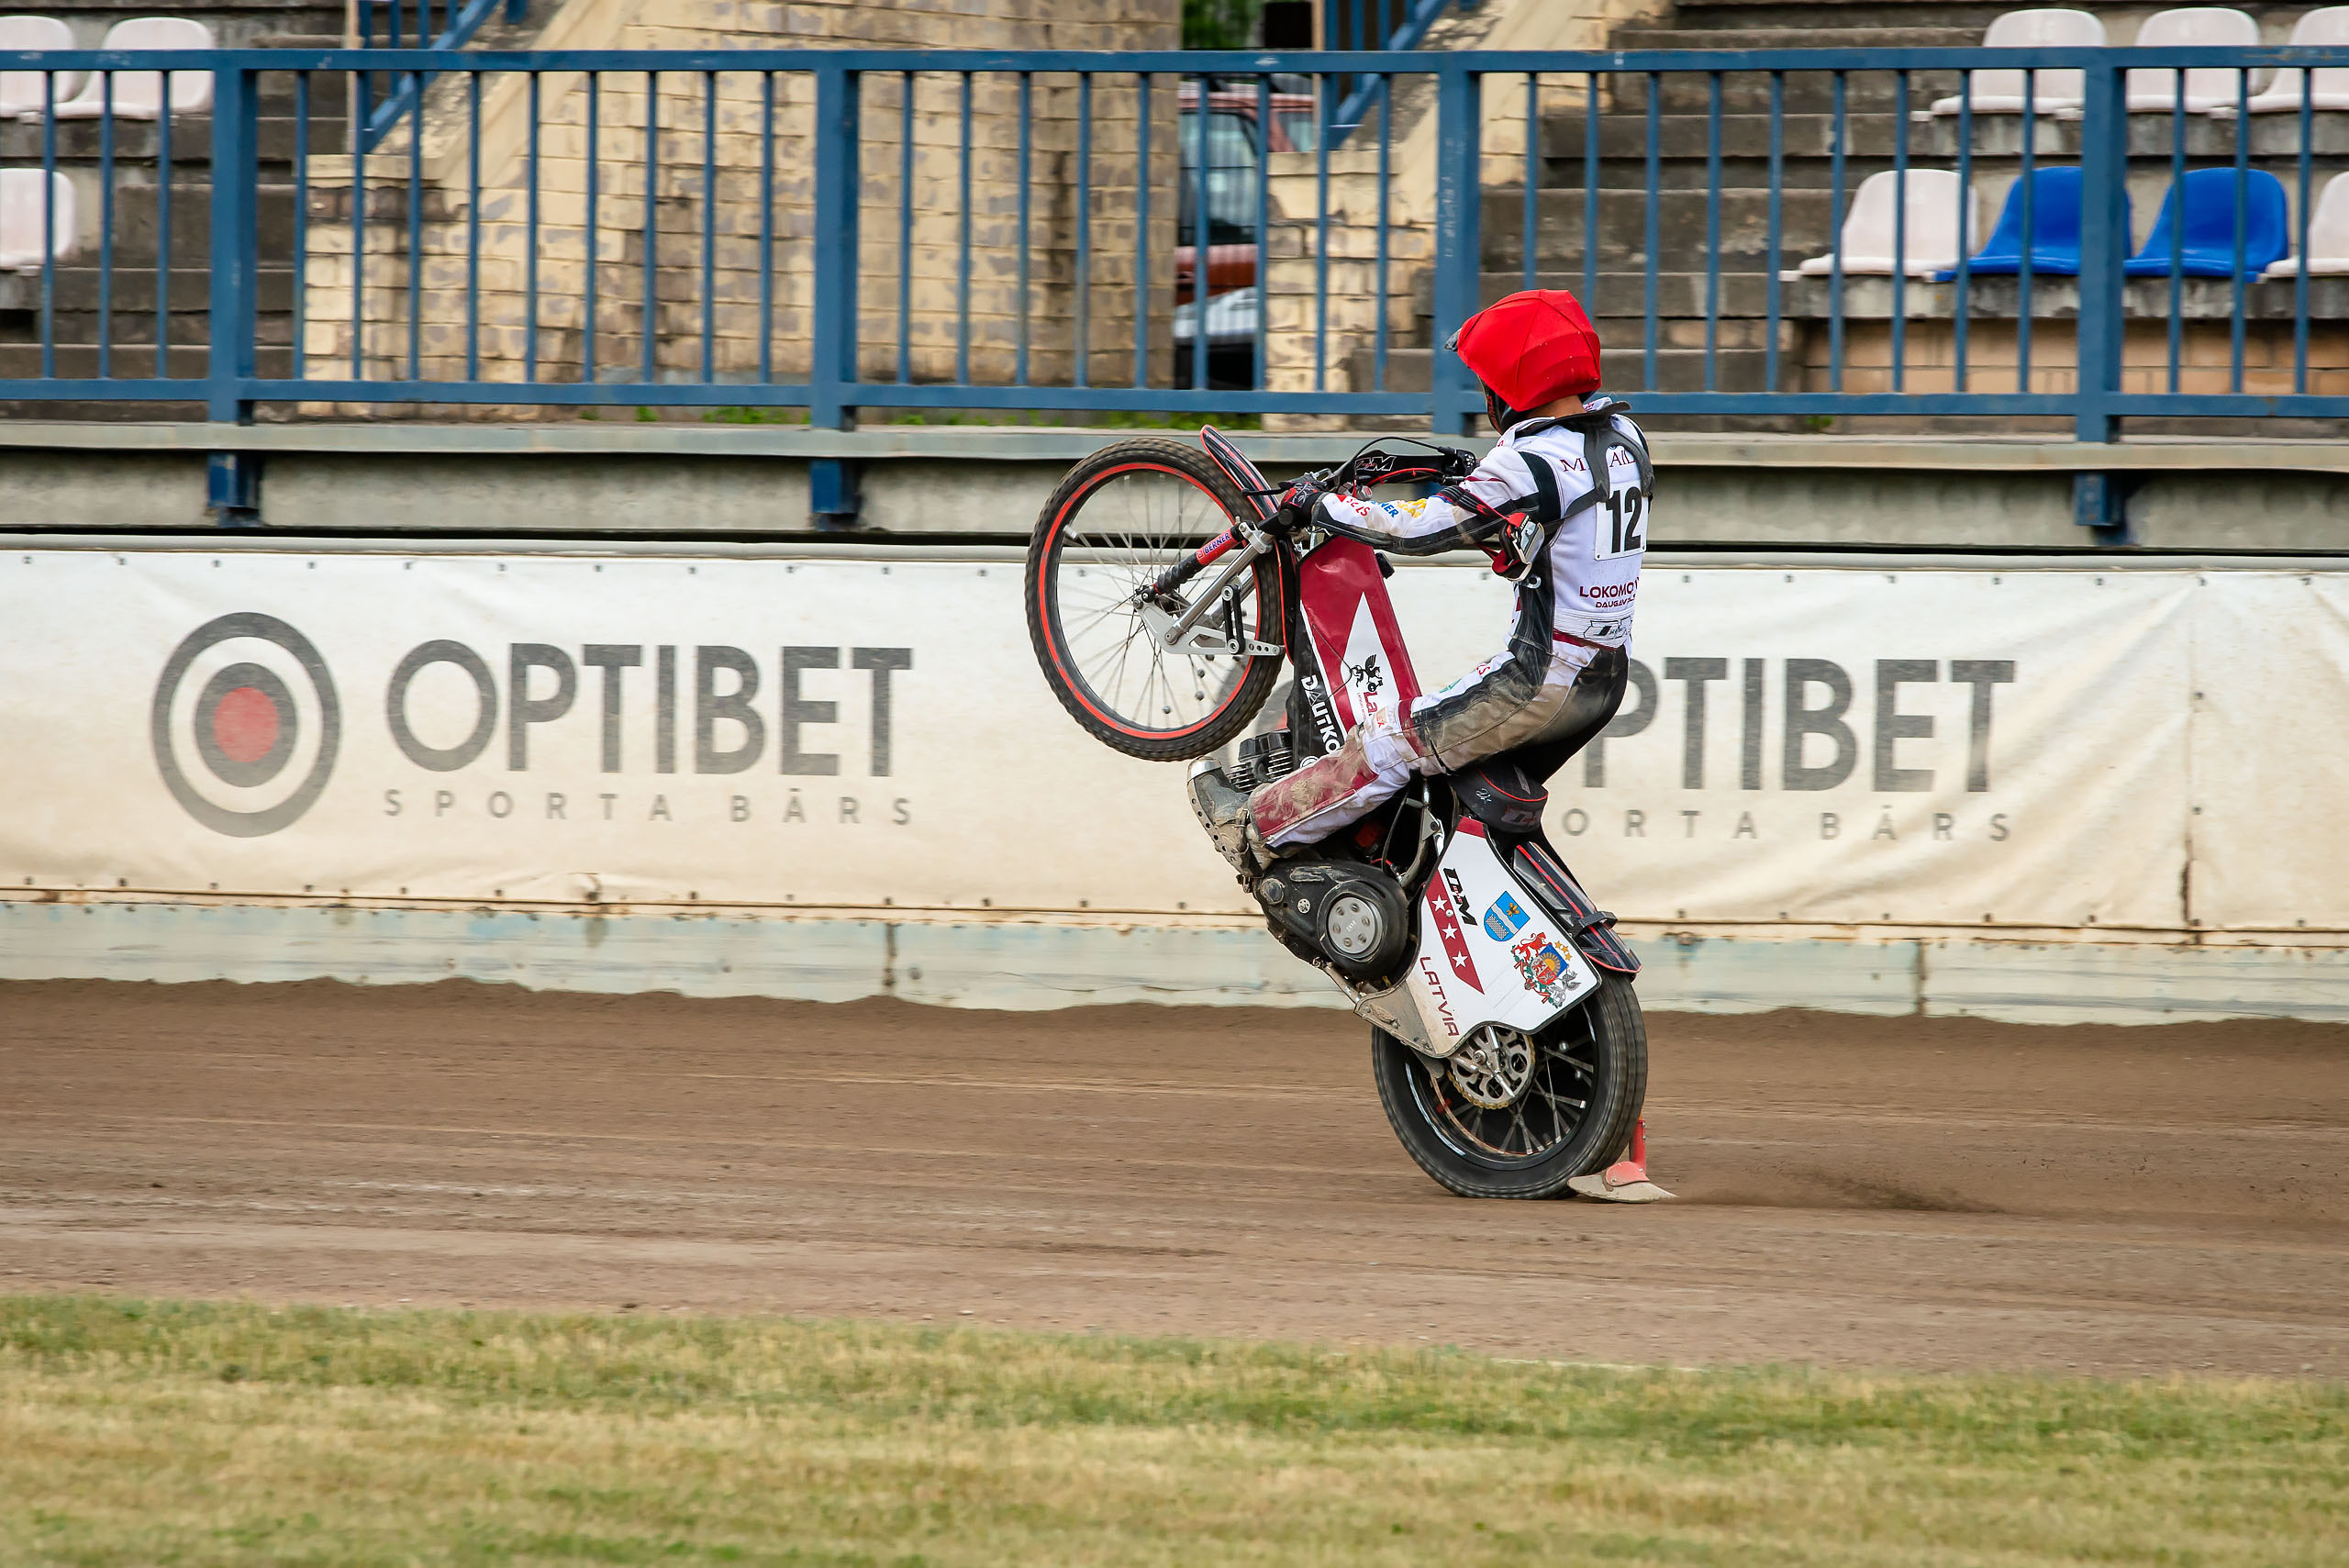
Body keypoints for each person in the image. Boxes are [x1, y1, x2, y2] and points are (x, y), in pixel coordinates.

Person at [1191, 287, 1651, 875]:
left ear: (1508, 388)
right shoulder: (1623, 441)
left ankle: (1251, 831)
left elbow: (1420, 528)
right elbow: (1563, 530)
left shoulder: (1530, 462)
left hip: (1538, 682)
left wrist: (1322, 506)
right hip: (1604, 678)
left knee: (1387, 739)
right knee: (1444, 797)